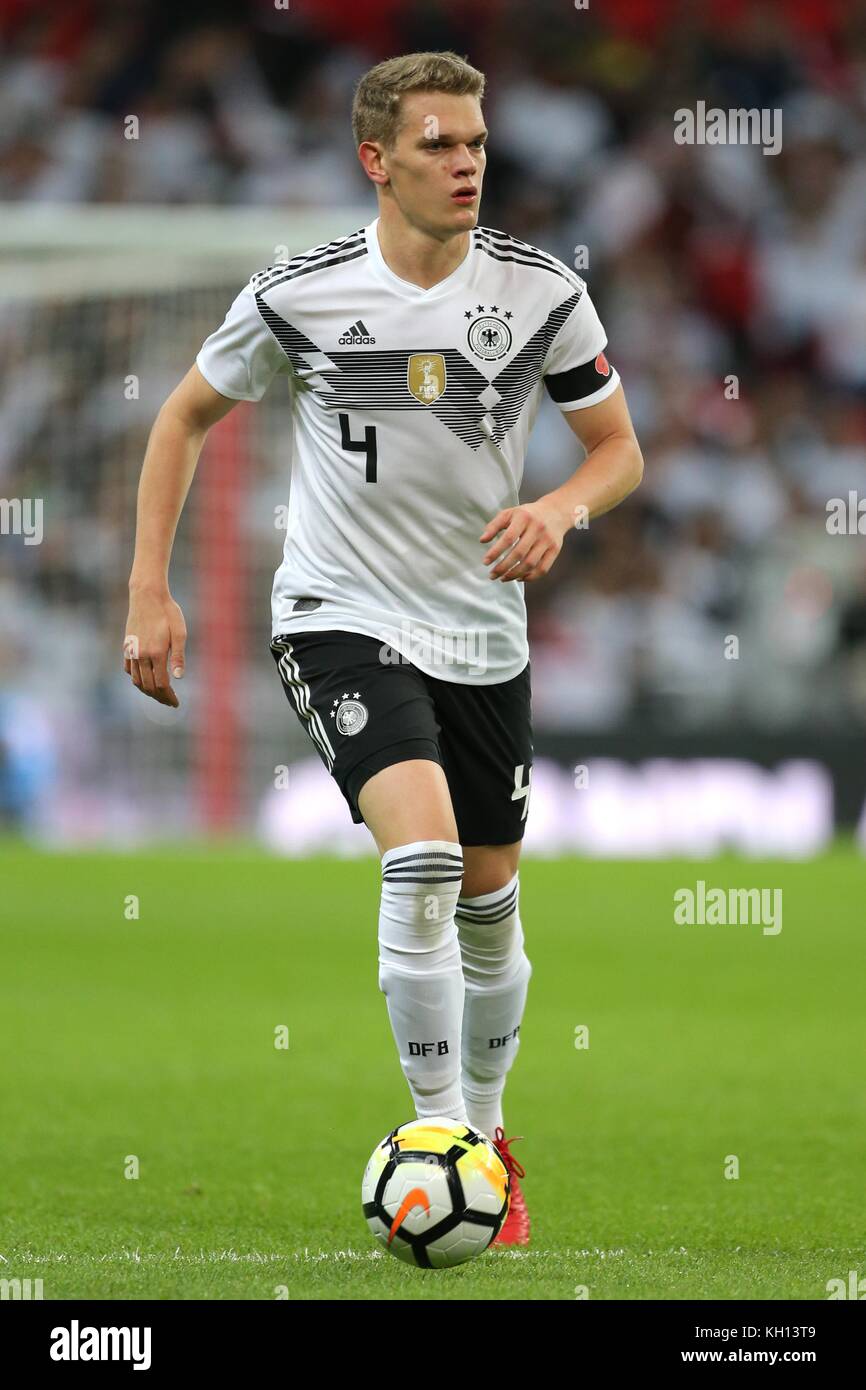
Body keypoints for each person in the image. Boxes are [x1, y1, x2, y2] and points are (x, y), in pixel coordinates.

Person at [124, 50, 644, 1246]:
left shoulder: (541, 294)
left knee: (489, 901)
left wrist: (560, 508)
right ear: (376, 159)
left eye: (474, 143)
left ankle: (489, 1128)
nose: (465, 165)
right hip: (338, 614)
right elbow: (183, 416)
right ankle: (440, 1136)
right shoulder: (297, 292)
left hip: (479, 629)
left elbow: (618, 449)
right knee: (417, 863)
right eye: (436, 146)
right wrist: (149, 588)